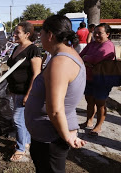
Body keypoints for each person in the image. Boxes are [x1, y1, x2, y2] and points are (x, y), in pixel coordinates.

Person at [25, 15, 86, 172]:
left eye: (42, 34)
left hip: (50, 138)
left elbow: (55, 109)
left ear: (50, 35)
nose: (40, 37)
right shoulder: (65, 56)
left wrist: (66, 136)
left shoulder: (61, 62)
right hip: (49, 135)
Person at [6, 22, 42, 162]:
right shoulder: (17, 47)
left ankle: (20, 149)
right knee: (22, 118)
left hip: (25, 91)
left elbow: (36, 74)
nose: (14, 34)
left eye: (17, 32)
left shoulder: (33, 50)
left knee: (18, 119)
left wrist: (29, 93)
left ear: (27, 34)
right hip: (15, 89)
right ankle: (25, 141)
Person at [79, 23, 115, 136]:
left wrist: (87, 59)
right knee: (89, 101)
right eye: (95, 33)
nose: (97, 35)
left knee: (100, 103)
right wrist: (87, 59)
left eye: (100, 33)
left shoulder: (108, 45)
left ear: (107, 34)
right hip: (89, 77)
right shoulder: (92, 44)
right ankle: (89, 121)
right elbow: (81, 55)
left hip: (102, 79)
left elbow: (97, 59)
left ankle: (98, 126)